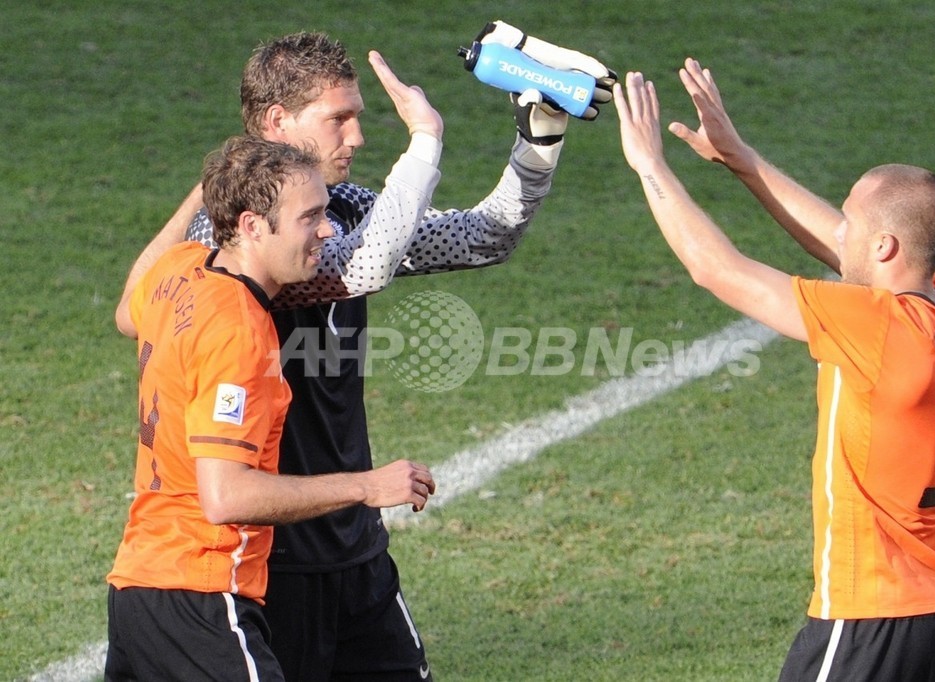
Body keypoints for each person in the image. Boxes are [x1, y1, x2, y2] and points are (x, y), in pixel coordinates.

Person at [122, 25, 616, 681]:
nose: (356, 137)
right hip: (276, 559)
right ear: (277, 123)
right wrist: (425, 141)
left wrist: (538, 143)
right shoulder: (230, 240)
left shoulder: (343, 208)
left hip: (355, 548)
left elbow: (481, 238)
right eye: (338, 119)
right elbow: (363, 266)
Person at [613, 60, 935, 681]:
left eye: (853, 221)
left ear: (885, 248)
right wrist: (740, 159)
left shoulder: (880, 330)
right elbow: (844, 245)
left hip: (870, 618)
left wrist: (649, 164)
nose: (841, 231)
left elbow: (719, 270)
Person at [106, 135, 436, 682]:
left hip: (138, 587)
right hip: (203, 593)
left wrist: (208, 189)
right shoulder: (239, 331)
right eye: (310, 218)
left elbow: (126, 312)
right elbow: (226, 496)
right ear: (253, 226)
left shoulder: (182, 269)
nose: (327, 231)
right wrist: (366, 487)